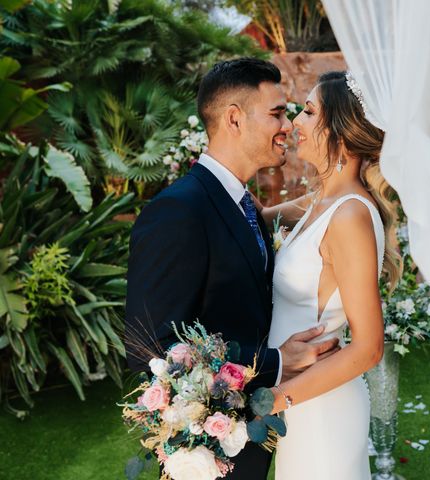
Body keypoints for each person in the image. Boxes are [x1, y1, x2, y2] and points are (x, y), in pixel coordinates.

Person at [124, 58, 341, 480]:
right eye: (277, 112)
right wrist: (275, 362)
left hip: (252, 435)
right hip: (210, 447)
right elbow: (150, 346)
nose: (288, 123)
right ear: (234, 119)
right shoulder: (178, 210)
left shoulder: (245, 207)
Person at [258, 71, 402, 480]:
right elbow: (252, 216)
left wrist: (272, 400)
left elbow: (369, 348)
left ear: (339, 128)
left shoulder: (351, 215)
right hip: (301, 402)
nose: (294, 124)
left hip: (317, 407)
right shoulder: (323, 200)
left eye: (307, 112)